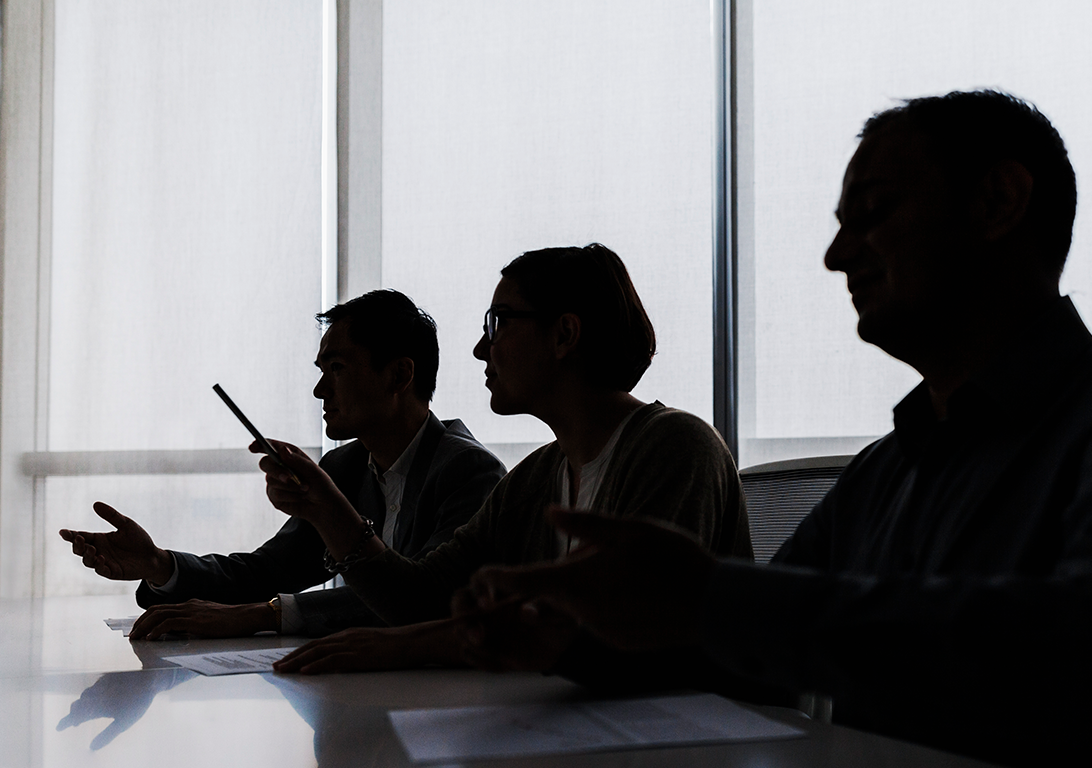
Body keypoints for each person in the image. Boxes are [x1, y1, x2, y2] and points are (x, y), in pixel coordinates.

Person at [464, 91, 1092, 768]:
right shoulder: (893, 466)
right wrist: (576, 647)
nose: (836, 254)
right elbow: (750, 652)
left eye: (873, 211)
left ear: (998, 201)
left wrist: (711, 599)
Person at [270, 244, 754, 688]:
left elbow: (628, 638)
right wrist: (328, 509)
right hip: (600, 744)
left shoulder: (676, 446)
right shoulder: (535, 477)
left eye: (498, 322)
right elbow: (420, 598)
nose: (482, 348)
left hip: (693, 757)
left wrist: (413, 643)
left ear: (564, 334)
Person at [58, 289, 505, 640]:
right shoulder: (346, 466)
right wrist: (160, 564)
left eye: (336, 368)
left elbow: (420, 601)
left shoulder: (469, 472)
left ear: (399, 376)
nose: (318, 391)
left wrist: (263, 615)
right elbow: (267, 571)